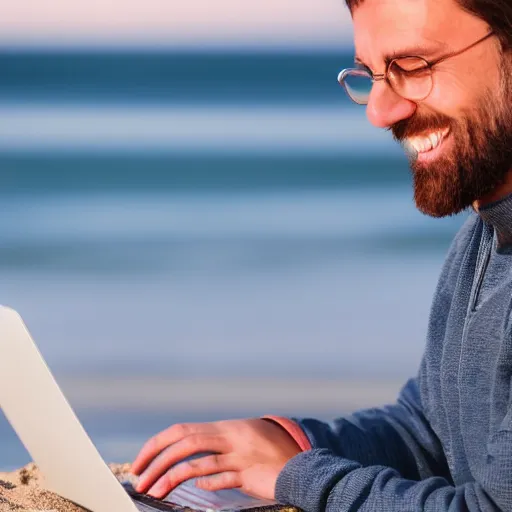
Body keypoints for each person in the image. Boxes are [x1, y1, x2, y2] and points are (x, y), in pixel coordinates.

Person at [130, 0, 512, 509]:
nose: (379, 112)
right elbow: (433, 434)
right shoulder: (484, 236)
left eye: (412, 67)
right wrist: (291, 443)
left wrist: (300, 477)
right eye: (371, 74)